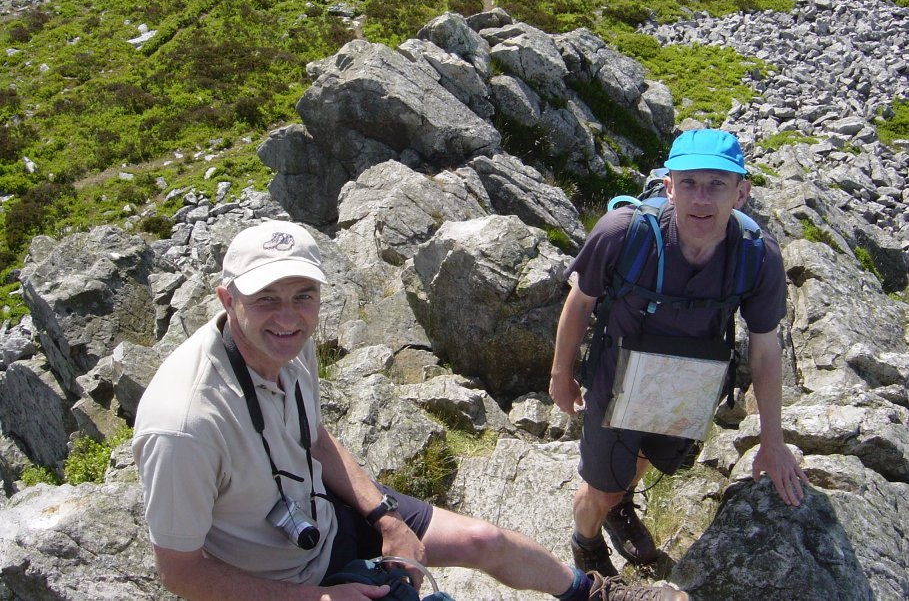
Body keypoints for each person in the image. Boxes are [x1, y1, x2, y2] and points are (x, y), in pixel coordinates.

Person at [133, 219, 686, 601]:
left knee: (482, 541)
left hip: (324, 517)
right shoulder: (185, 424)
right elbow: (181, 573)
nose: (289, 316)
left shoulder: (284, 345)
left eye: (304, 295)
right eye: (266, 299)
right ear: (225, 299)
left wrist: (386, 519)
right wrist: (320, 595)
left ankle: (589, 592)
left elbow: (315, 440)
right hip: (276, 581)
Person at [549, 129, 810, 577]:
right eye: (688, 182)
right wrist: (560, 374)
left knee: (643, 459)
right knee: (600, 488)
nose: (701, 199)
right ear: (668, 187)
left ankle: (619, 503)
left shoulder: (757, 256)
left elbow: (766, 352)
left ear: (741, 193)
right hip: (617, 384)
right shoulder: (621, 235)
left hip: (688, 388)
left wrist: (773, 439)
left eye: (717, 184)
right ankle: (586, 542)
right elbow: (580, 301)